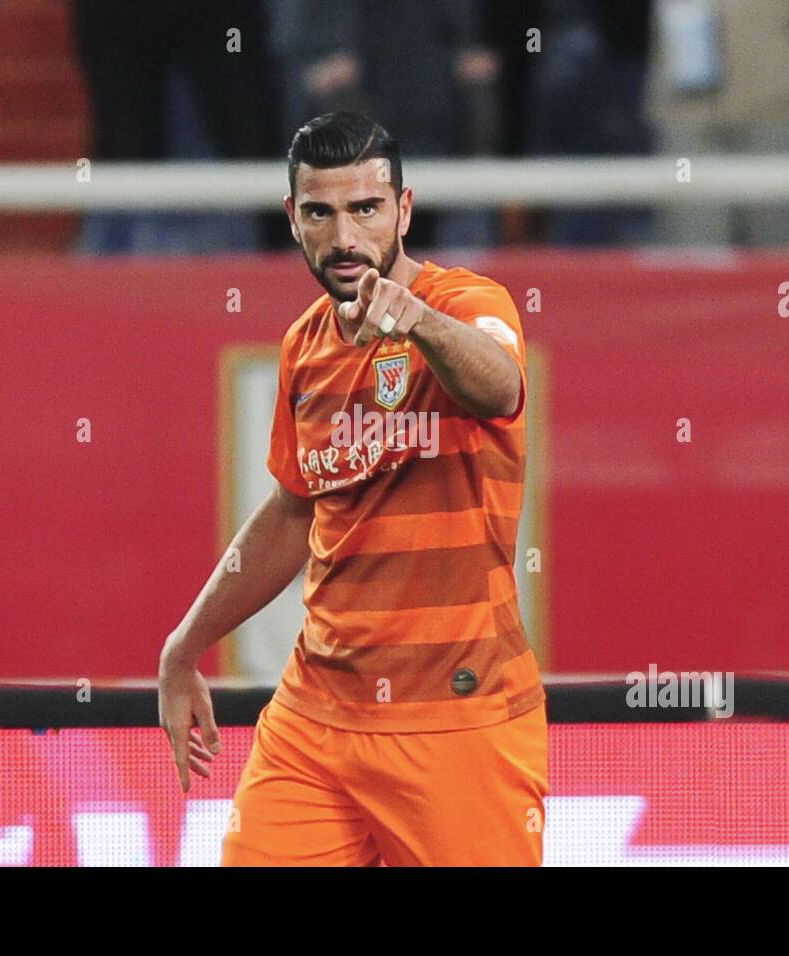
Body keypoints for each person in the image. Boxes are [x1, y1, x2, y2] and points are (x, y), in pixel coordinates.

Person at [157, 112, 547, 866]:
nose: (344, 237)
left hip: (458, 720)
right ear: (292, 220)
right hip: (315, 721)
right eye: (321, 213)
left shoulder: (469, 306)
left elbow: (500, 388)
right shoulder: (305, 347)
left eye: (365, 209)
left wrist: (422, 325)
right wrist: (186, 646)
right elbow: (292, 511)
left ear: (404, 210)